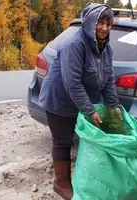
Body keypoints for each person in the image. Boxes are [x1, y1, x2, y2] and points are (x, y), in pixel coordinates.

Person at [38, 3, 121, 200]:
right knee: (63, 141)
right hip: (60, 100)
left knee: (81, 139)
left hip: (79, 101)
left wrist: (114, 105)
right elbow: (72, 83)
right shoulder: (74, 45)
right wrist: (90, 110)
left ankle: (80, 178)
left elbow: (108, 80)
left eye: (108, 24)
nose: (104, 28)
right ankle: (61, 184)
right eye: (100, 22)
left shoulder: (105, 49)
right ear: (89, 22)